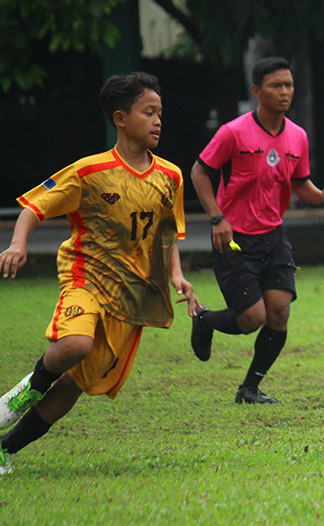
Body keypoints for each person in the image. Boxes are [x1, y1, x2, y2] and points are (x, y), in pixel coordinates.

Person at [0, 72, 199, 475]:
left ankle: (6, 448)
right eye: (148, 112)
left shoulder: (171, 177)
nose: (158, 121)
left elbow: (166, 236)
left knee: (74, 384)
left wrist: (176, 276)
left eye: (160, 113)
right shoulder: (90, 171)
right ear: (120, 119)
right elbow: (34, 208)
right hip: (86, 278)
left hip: (132, 298)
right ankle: (20, 396)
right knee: (75, 345)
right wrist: (18, 244)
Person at [189, 57, 324, 404]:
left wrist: (323, 196)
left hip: (273, 235)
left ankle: (250, 388)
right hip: (233, 237)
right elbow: (199, 172)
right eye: (276, 86)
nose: (285, 91)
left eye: (289, 85)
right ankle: (205, 320)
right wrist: (216, 217)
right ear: (257, 91)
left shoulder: (297, 136)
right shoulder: (233, 132)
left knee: (279, 312)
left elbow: (301, 184)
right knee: (252, 318)